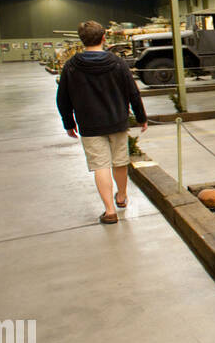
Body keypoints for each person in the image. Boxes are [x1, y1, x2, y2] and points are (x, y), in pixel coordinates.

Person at [56, 20, 149, 224]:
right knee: (120, 161)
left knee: (101, 166)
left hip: (90, 125)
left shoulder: (72, 66)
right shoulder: (117, 63)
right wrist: (141, 117)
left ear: (82, 41)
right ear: (104, 38)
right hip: (116, 121)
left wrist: (68, 123)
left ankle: (109, 211)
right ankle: (122, 197)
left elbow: (62, 97)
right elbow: (133, 92)